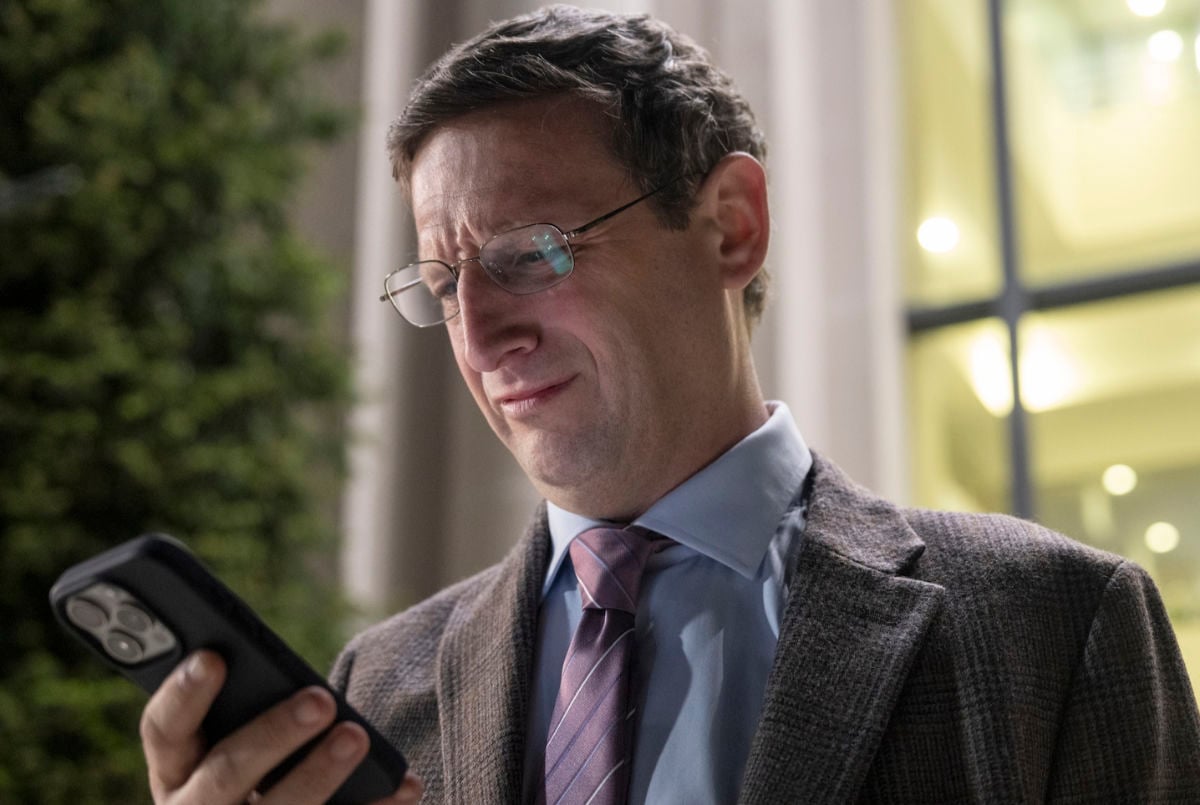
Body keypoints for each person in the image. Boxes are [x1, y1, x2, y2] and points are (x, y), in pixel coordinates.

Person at [139, 5, 1200, 803]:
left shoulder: (1053, 626)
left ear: (731, 225)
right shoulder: (373, 689)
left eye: (529, 254)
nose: (480, 335)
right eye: (444, 283)